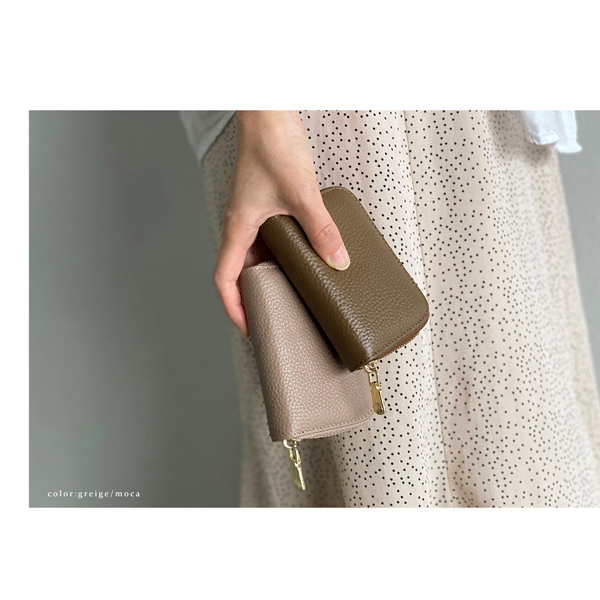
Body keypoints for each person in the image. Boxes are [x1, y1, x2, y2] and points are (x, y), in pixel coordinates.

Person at [182, 110, 600, 507]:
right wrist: (267, 123)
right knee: (400, 466)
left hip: (482, 131)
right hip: (352, 130)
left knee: (522, 434)